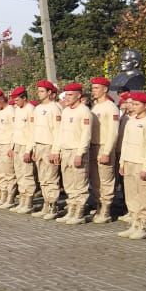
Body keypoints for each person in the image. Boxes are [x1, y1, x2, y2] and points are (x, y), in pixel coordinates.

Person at [117, 91, 146, 240]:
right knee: (131, 195)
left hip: (141, 163)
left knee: (144, 195)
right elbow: (125, 143)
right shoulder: (131, 121)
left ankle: (144, 226)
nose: (133, 107)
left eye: (136, 104)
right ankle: (134, 222)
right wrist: (122, 162)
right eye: (132, 104)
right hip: (129, 162)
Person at [52, 82, 92, 225]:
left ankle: (79, 212)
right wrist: (56, 150)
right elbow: (60, 133)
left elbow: (85, 135)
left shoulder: (84, 111)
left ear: (78, 95)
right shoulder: (66, 111)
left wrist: (80, 153)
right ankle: (71, 209)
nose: (67, 98)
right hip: (65, 150)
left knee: (79, 182)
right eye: (66, 95)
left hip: (76, 150)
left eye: (70, 95)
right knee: (68, 182)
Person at [88, 77, 120, 223]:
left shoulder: (110, 107)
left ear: (105, 89)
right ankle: (99, 204)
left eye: (96, 88)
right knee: (96, 180)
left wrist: (107, 152)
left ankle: (106, 209)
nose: (93, 90)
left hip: (104, 147)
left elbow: (113, 132)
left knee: (106, 180)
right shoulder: (95, 106)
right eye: (93, 88)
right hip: (93, 145)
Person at [32, 80, 63, 219]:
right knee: (42, 177)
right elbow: (34, 130)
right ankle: (46, 202)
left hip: (49, 145)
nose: (39, 93)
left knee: (51, 177)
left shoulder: (54, 108)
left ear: (50, 93)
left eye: (42, 91)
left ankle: (53, 205)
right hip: (39, 145)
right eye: (38, 91)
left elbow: (57, 131)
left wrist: (55, 150)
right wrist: (33, 148)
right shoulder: (37, 108)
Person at [10, 86, 38, 214]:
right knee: (20, 174)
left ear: (24, 98)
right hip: (17, 145)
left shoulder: (30, 110)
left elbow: (33, 132)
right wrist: (12, 147)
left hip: (26, 146)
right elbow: (15, 130)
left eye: (17, 100)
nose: (15, 102)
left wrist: (29, 150)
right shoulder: (17, 110)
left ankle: (28, 202)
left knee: (27, 175)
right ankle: (22, 199)